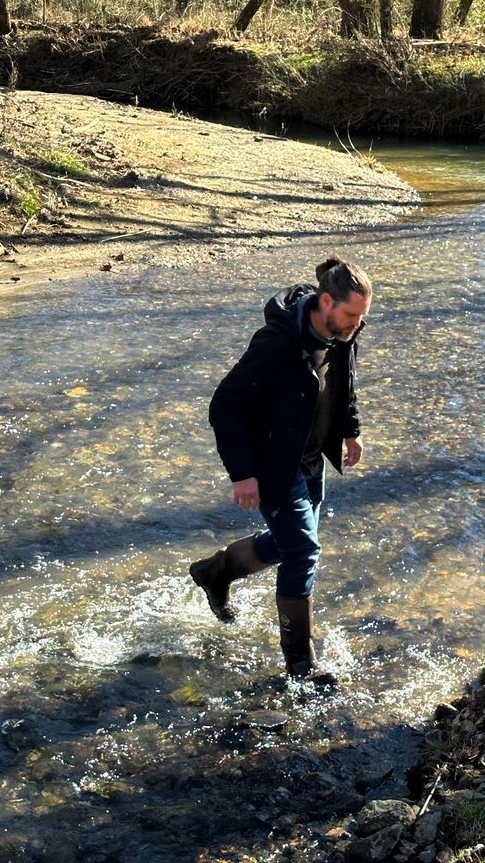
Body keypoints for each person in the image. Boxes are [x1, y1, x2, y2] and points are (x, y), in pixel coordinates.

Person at [191, 257, 372, 684]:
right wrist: (242, 473)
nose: (356, 325)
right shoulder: (275, 342)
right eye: (350, 315)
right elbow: (225, 406)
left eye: (361, 317)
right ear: (326, 301)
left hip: (310, 457)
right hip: (272, 463)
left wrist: (350, 430)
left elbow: (345, 382)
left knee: (291, 542)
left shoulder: (344, 332)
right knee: (303, 551)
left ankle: (213, 572)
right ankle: (300, 664)